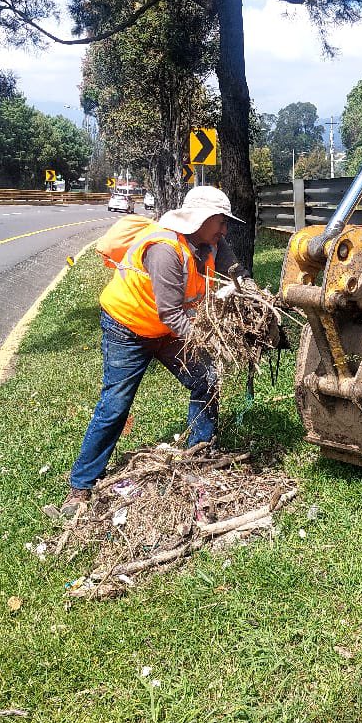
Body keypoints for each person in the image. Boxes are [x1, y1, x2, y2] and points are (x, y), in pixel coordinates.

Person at [64, 185, 247, 510]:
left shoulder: (211, 244)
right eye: (220, 221)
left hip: (165, 328)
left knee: (206, 380)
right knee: (115, 404)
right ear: (201, 219)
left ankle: (199, 454)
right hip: (128, 326)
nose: (224, 229)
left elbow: (236, 272)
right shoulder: (165, 249)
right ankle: (81, 486)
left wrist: (250, 291)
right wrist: (214, 340)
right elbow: (173, 315)